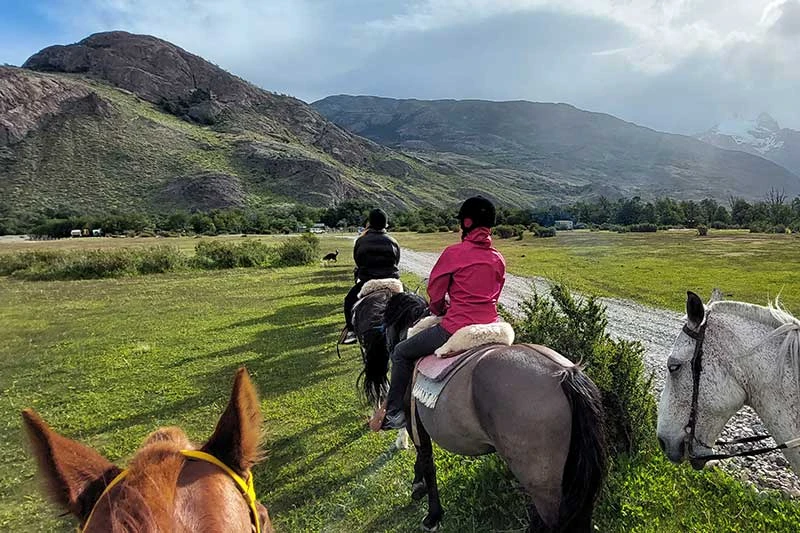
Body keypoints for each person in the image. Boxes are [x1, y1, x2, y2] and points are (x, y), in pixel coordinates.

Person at [379, 196, 506, 429]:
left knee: (401, 352)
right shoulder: (498, 258)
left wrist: (438, 310)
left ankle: (395, 413)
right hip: (491, 326)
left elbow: (435, 292)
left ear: (466, 223)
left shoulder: (454, 253)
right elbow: (495, 295)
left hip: (456, 327)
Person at [342, 208, 401, 344]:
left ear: (370, 223)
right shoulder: (393, 241)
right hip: (392, 281)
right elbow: (396, 261)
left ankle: (351, 331)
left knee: (348, 301)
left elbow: (358, 261)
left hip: (368, 281)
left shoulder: (361, 241)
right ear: (385, 224)